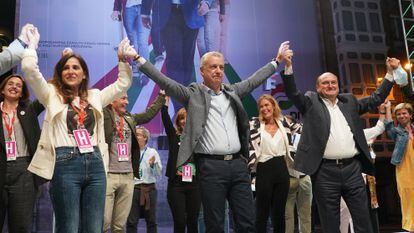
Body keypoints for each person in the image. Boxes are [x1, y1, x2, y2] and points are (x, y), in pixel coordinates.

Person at [136, 40, 291, 232]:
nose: (218, 71)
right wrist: (138, 58)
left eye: (221, 67)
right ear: (202, 71)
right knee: (215, 223)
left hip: (238, 165)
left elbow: (254, 80)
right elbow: (164, 80)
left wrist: (276, 61)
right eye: (213, 67)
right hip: (210, 167)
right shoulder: (193, 95)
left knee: (247, 222)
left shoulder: (232, 91)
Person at [21, 26, 134, 232]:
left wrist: (122, 60)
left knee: (93, 227)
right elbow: (29, 70)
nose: (71, 71)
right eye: (66, 68)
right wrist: (32, 46)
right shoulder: (51, 95)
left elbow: (123, 83)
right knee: (69, 227)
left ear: (84, 74)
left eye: (76, 67)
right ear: (60, 74)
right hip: (65, 164)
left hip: (96, 163)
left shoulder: (95, 96)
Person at [280, 49, 397, 233]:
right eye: (325, 83)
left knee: (362, 218)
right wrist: (288, 66)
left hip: (353, 169)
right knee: (330, 221)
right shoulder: (311, 102)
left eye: (333, 82)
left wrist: (390, 74)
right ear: (318, 87)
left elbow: (376, 99)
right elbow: (293, 92)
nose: (330, 85)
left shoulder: (349, 101)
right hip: (325, 172)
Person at [103, 91, 165, 232]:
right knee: (104, 223)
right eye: (123, 98)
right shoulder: (104, 116)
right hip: (109, 175)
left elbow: (148, 115)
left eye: (127, 99)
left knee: (119, 226)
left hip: (128, 177)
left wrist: (161, 97)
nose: (127, 102)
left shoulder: (130, 118)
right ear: (112, 100)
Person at [141, 0, 213, 111]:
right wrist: (145, 11)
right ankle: (179, 108)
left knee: (187, 61)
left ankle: (185, 98)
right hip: (167, 14)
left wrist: (207, 2)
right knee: (174, 60)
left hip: (192, 11)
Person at [248, 94, 300, 233]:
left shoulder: (284, 122)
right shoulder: (254, 124)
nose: (264, 108)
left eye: (267, 105)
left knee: (279, 213)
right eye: (261, 106)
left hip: (282, 170)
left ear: (273, 106)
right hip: (264, 170)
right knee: (262, 213)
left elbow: (304, 131)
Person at [0, 74, 44, 232]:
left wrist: (62, 64)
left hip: (24, 171)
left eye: (19, 85)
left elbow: (47, 92)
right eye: (10, 84)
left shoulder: (30, 109)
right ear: (3, 89)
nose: (14, 87)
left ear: (22, 92)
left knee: (21, 226)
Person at [339, 100, 391, 233]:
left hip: (360, 176)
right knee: (343, 211)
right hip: (338, 174)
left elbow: (379, 128)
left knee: (359, 211)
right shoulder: (334, 134)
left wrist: (383, 111)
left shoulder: (361, 133)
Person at [161, 96, 201, 233]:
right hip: (176, 185)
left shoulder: (198, 138)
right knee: (180, 221)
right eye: (181, 118)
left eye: (187, 118)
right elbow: (166, 121)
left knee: (192, 222)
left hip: (194, 185)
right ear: (178, 121)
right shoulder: (174, 136)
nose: (184, 121)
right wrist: (164, 105)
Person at [126, 126, 162, 233]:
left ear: (145, 138)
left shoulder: (152, 152)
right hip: (133, 189)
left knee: (151, 221)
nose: (135, 137)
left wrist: (152, 165)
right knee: (131, 221)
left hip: (149, 190)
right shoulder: (128, 151)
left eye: (137, 134)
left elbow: (158, 173)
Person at [385, 102, 414, 232]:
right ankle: (410, 225)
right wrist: (387, 109)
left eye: (404, 113)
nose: (401, 116)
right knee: (407, 195)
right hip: (404, 168)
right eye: (398, 114)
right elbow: (388, 125)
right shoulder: (396, 132)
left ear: (410, 115)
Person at [283, 116, 312, 233]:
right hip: (289, 178)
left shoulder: (302, 135)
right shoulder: (282, 137)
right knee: (287, 216)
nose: (286, 125)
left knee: (305, 215)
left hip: (304, 177)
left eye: (287, 123)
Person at [112, 0, 150, 74]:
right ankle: (135, 65)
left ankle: (145, 69)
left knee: (142, 41)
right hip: (129, 8)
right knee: (132, 41)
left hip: (144, 8)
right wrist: (116, 9)